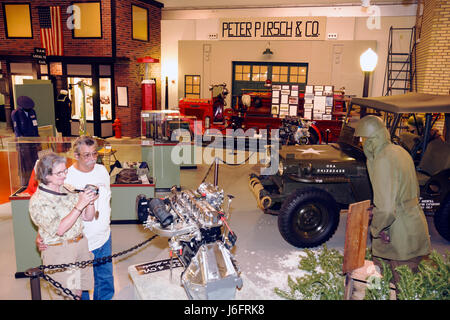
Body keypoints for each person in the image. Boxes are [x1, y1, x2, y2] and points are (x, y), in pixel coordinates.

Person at [355, 115, 431, 286]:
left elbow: (387, 209)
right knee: (408, 287)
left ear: (370, 139)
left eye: (362, 139)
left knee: (401, 288)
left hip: (399, 237)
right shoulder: (400, 151)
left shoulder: (383, 159)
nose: (361, 143)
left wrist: (376, 228)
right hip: (414, 226)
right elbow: (412, 191)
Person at [37, 136, 114, 300]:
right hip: (80, 242)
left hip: (104, 237)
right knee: (80, 287)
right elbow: (52, 211)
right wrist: (41, 234)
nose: (92, 159)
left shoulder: (102, 171)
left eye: (95, 154)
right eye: (87, 155)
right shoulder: (66, 178)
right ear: (76, 155)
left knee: (105, 280)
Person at [29, 152, 98, 300]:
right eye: (60, 172)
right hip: (60, 251)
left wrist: (90, 202)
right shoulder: (39, 201)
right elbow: (59, 229)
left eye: (65, 170)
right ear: (46, 176)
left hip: (80, 245)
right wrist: (80, 204)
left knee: (78, 292)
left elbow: (88, 217)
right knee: (65, 296)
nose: (65, 175)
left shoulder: (66, 188)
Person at [11, 95, 40, 186]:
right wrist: (21, 141)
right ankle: (25, 182)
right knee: (25, 163)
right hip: (24, 143)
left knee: (34, 161)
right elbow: (17, 129)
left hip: (33, 142)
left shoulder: (32, 112)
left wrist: (37, 140)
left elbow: (35, 126)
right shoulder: (15, 113)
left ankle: (34, 179)